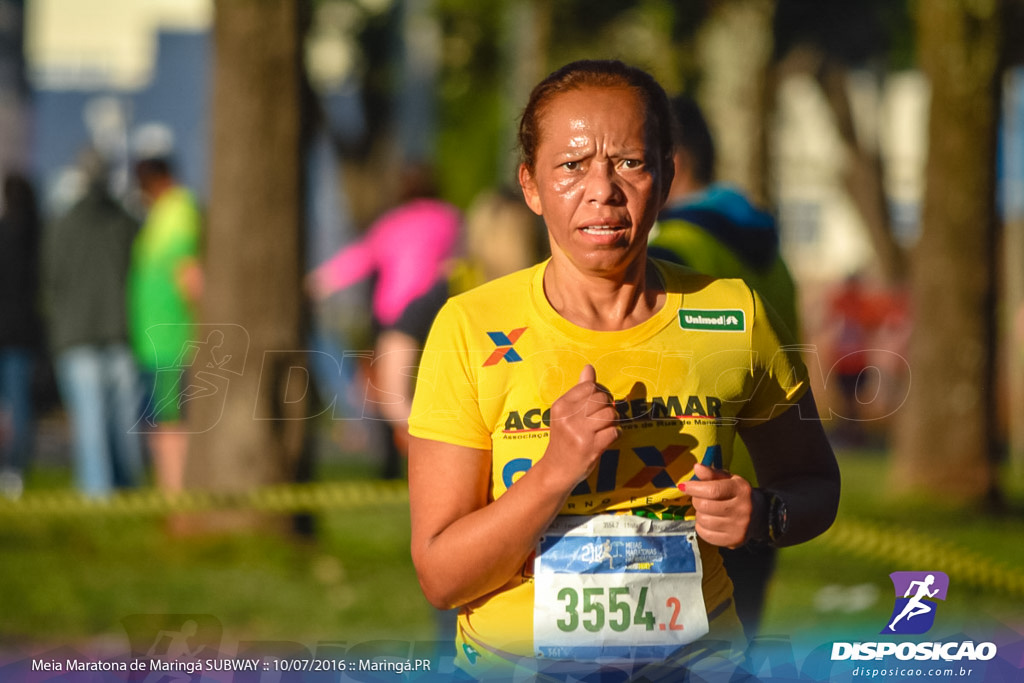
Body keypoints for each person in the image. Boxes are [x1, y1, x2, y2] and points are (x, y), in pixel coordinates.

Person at [407, 60, 840, 680]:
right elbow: (442, 577)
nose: (602, 190)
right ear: (530, 186)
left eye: (630, 163)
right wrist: (554, 471)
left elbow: (815, 484)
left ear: (667, 176)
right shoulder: (469, 325)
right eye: (571, 166)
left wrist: (765, 514)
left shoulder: (732, 313)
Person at [649, 95, 801, 639]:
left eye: (632, 159)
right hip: (763, 487)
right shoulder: (766, 245)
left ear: (674, 164)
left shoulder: (673, 245)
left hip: (694, 484)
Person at [307, 163, 460, 478]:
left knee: (392, 398)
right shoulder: (450, 218)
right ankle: (429, 457)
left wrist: (317, 282)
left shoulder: (393, 223)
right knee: (434, 391)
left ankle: (439, 459)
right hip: (440, 310)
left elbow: (359, 260)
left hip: (399, 314)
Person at [42, 149, 145, 497]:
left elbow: (51, 280)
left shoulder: (61, 225)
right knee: (123, 426)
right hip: (120, 332)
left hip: (78, 335)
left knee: (92, 426)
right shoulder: (127, 223)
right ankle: (125, 491)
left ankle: (98, 495)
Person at [127, 155, 203, 493]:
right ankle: (170, 493)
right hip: (156, 340)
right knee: (162, 420)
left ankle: (175, 497)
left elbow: (190, 275)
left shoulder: (178, 210)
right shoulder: (165, 212)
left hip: (171, 340)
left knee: (170, 422)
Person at [0, 173, 43, 498]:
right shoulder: (37, 235)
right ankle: (16, 470)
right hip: (23, 334)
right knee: (20, 406)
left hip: (10, 333)